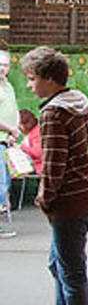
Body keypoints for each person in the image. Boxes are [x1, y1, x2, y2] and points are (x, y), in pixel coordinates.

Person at [22, 46, 88, 305]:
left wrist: (44, 198)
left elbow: (53, 165)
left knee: (72, 273)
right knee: (59, 265)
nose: (30, 86)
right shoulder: (79, 101)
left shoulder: (53, 112)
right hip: (87, 194)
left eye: (31, 79)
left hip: (68, 201)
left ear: (47, 78)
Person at [0, 49, 19, 238]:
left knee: (3, 181)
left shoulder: (8, 86)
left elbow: (13, 108)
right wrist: (10, 129)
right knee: (0, 182)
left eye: (5, 65)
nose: (2, 68)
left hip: (6, 140)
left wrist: (16, 128)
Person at [19, 108, 42, 174]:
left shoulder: (36, 133)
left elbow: (38, 153)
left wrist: (22, 148)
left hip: (40, 168)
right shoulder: (30, 134)